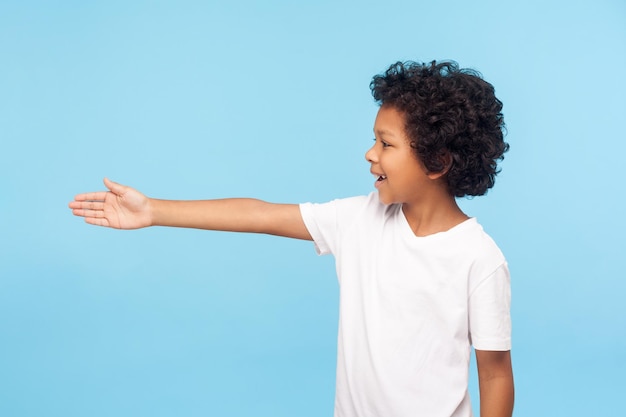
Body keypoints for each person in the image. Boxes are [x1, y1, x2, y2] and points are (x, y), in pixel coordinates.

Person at [69, 60, 514, 417]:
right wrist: (154, 210)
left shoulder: (478, 259)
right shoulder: (360, 219)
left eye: (386, 144)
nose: (369, 153)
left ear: (436, 161)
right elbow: (260, 213)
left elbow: (494, 376)